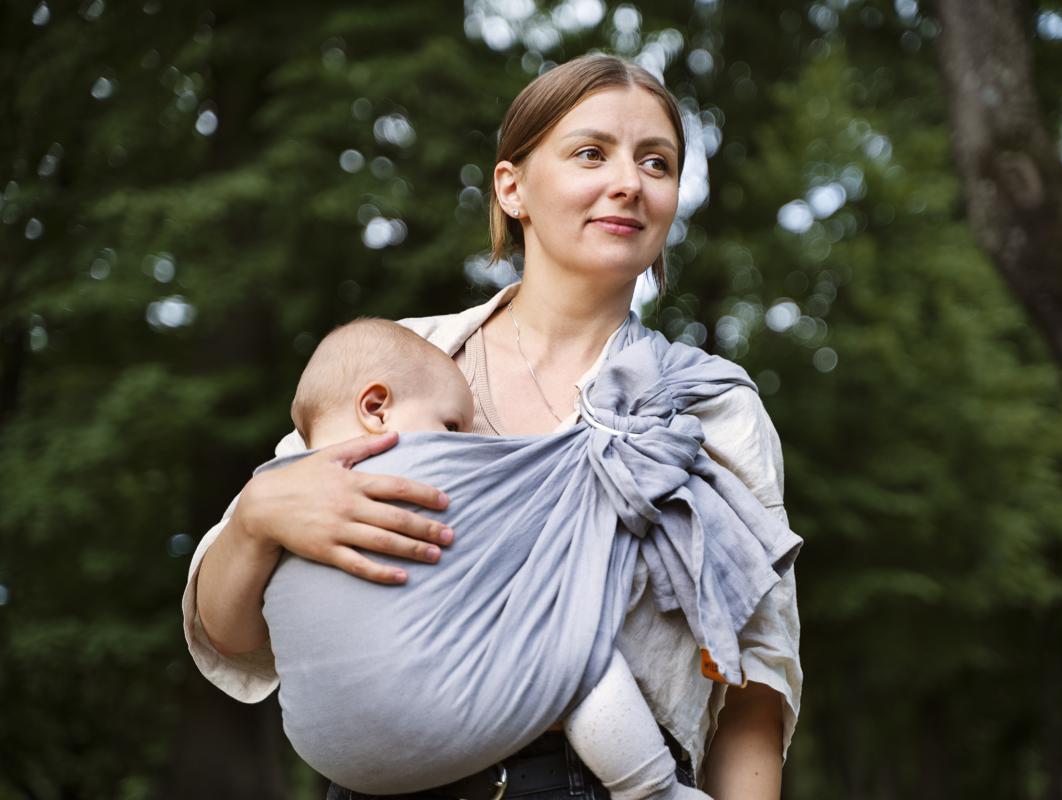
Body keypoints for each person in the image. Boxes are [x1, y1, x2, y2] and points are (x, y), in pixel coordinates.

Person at [184, 54, 802, 799]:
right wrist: (255, 520)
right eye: (590, 153)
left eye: (657, 162)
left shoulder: (709, 407)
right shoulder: (395, 366)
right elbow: (237, 634)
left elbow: (754, 682)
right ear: (513, 188)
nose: (629, 183)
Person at [262, 314, 797, 798]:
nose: (463, 441)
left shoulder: (717, 399)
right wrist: (250, 521)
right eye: (452, 428)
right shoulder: (417, 354)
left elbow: (757, 675)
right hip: (553, 759)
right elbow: (226, 629)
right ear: (375, 408)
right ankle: (653, 790)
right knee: (573, 645)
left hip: (347, 761)